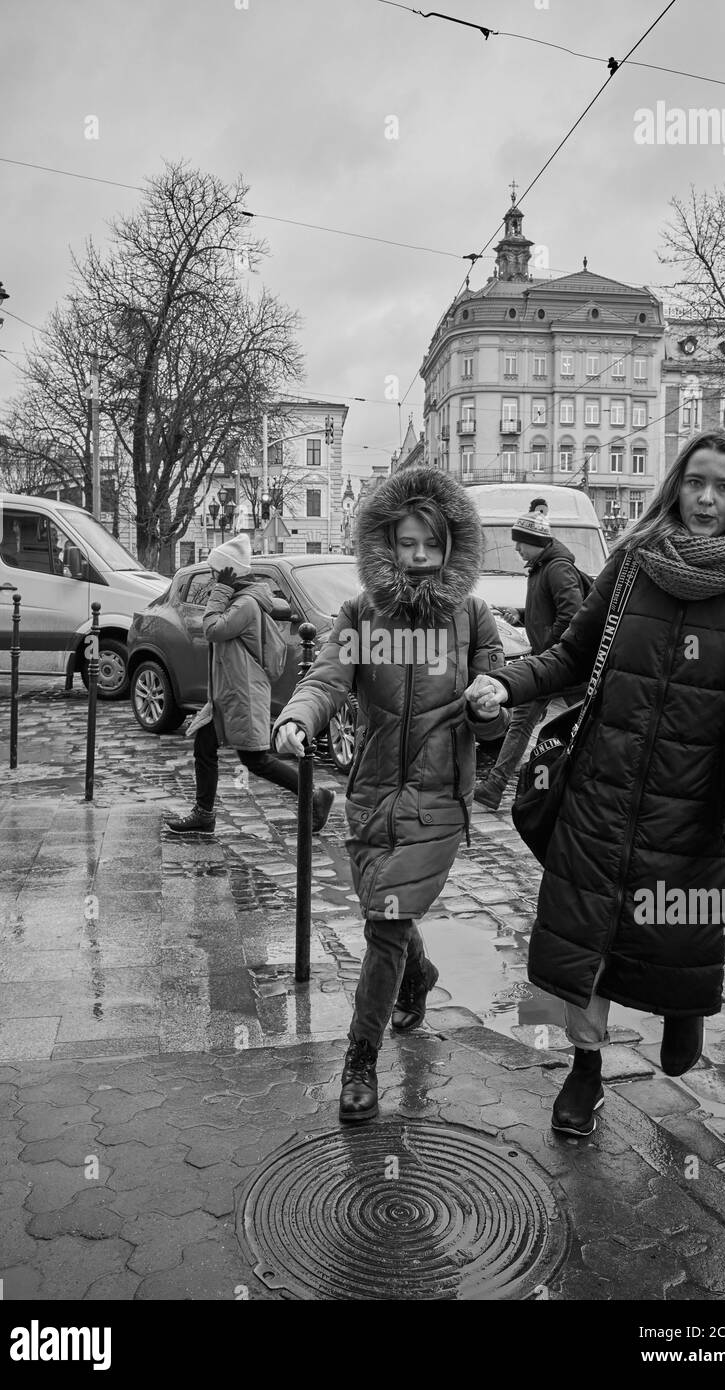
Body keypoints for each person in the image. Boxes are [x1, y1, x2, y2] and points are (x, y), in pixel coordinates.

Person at [466, 429, 725, 1137]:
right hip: (601, 790)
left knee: (671, 929)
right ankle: (584, 1075)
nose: (707, 499)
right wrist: (503, 679)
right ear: (676, 483)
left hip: (691, 807)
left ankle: (684, 1005)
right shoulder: (635, 562)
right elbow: (570, 655)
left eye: (724, 486)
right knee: (580, 944)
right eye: (695, 481)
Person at [273, 467, 508, 1123]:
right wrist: (299, 717)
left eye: (429, 545)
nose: (417, 558)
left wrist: (488, 706)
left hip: (437, 802)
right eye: (405, 544)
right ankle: (419, 975)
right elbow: (327, 678)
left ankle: (360, 1060)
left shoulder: (472, 619)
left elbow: (496, 717)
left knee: (383, 923)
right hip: (372, 796)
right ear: (385, 543)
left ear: (451, 546)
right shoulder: (360, 615)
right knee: (391, 916)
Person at [165, 534, 335, 837]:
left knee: (255, 759)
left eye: (218, 572)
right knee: (204, 746)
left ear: (230, 572)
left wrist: (220, 590)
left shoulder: (245, 604)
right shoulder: (240, 599)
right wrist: (222, 591)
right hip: (227, 693)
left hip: (242, 694)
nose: (214, 577)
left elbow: (213, 628)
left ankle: (314, 794)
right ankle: (204, 815)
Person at [474, 512, 587, 810]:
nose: (516, 549)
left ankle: (499, 787)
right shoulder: (541, 568)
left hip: (558, 664)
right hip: (555, 663)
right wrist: (521, 616)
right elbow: (551, 611)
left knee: (535, 723)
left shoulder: (557, 568)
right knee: (540, 723)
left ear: (535, 542)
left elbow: (572, 614)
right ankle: (495, 788)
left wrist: (551, 650)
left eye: (520, 543)